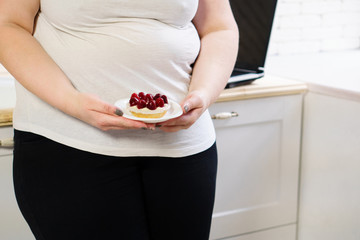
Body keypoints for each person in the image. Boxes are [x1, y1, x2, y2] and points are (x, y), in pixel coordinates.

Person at [0, 0, 238, 239]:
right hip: (68, 143)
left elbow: (219, 28)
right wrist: (70, 100)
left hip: (182, 147)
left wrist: (205, 92)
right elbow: (8, 25)